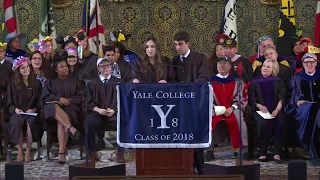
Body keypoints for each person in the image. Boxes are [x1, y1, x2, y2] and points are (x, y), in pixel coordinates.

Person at [171, 31, 209, 174]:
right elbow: (171, 79)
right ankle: (185, 166)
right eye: (175, 44)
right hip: (179, 104)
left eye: (180, 44)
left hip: (195, 103)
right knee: (181, 135)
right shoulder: (174, 61)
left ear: (188, 44)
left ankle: (200, 167)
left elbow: (203, 78)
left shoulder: (199, 58)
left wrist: (188, 89)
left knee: (195, 135)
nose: (178, 47)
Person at [41, 57, 85, 164]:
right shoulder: (50, 82)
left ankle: (61, 153)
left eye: (66, 66)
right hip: (52, 112)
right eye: (61, 67)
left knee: (61, 123)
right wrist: (59, 99)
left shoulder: (75, 81)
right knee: (53, 106)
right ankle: (71, 128)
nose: (65, 68)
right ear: (56, 70)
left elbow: (81, 96)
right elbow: (45, 97)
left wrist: (68, 100)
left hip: (70, 108)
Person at [207, 57, 248, 160]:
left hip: (232, 109)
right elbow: (206, 99)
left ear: (230, 66)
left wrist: (232, 108)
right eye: (219, 63)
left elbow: (241, 97)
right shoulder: (210, 82)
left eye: (225, 64)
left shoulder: (237, 81)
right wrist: (217, 109)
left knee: (238, 118)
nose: (221, 66)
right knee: (209, 120)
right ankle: (209, 150)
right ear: (216, 66)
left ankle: (241, 149)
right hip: (215, 109)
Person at [85, 57, 124, 163]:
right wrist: (99, 110)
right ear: (98, 68)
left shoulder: (118, 82)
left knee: (122, 123)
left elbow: (122, 100)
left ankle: (120, 153)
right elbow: (88, 102)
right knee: (89, 123)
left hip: (113, 114)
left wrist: (114, 110)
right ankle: (92, 152)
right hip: (97, 113)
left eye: (108, 65)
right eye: (103, 66)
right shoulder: (92, 83)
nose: (106, 68)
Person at [285, 53, 320, 166]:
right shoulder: (297, 77)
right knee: (314, 112)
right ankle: (314, 152)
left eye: (312, 62)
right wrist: (296, 101)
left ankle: (314, 152)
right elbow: (291, 94)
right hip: (304, 107)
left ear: (316, 63)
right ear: (302, 64)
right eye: (306, 62)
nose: (309, 64)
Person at [5, 56, 42, 161]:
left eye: (27, 67)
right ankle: (20, 150)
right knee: (17, 122)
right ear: (18, 71)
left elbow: (40, 101)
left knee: (31, 123)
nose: (26, 69)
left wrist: (34, 109)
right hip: (17, 112)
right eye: (23, 68)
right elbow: (9, 102)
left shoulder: (36, 83)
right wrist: (15, 109)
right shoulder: (13, 85)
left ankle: (29, 150)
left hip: (31, 113)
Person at [249, 59, 285, 163]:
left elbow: (281, 97)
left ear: (274, 69)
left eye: (268, 67)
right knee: (263, 122)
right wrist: (258, 105)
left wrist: (277, 109)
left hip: (275, 109)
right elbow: (252, 98)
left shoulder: (278, 81)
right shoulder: (255, 82)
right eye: (264, 66)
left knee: (280, 122)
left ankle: (277, 152)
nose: (264, 68)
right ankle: (262, 152)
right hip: (260, 110)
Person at [0, 42, 13, 108]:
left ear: (5, 52)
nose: (0, 54)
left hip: (5, 93)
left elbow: (10, 81)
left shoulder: (9, 65)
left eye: (1, 51)